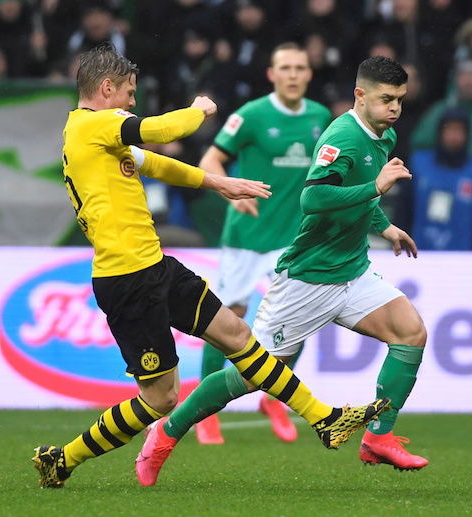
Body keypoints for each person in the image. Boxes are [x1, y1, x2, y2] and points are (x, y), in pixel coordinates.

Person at [32, 43, 389, 489]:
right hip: (126, 280)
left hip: (155, 267)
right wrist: (198, 108)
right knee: (160, 398)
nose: (132, 102)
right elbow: (160, 131)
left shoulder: (95, 135)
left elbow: (155, 163)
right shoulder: (95, 125)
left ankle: (324, 418)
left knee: (237, 336)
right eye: (128, 92)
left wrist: (218, 182)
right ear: (106, 88)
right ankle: (63, 459)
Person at [137, 57, 430, 484]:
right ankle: (166, 432)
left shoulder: (383, 136)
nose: (395, 109)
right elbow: (313, 199)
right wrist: (377, 188)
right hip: (308, 279)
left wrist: (384, 225)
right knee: (245, 377)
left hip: (352, 271)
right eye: (387, 99)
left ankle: (378, 438)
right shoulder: (342, 136)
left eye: (400, 100)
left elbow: (358, 200)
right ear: (359, 95)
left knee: (411, 332)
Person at [194, 42, 332, 445]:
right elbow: (210, 161)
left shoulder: (321, 117)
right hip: (246, 235)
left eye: (299, 68)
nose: (292, 74)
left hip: (293, 237)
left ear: (309, 74)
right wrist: (235, 192)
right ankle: (205, 410)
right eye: (285, 67)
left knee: (300, 316)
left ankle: (275, 397)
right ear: (272, 74)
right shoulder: (250, 115)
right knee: (228, 319)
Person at [408, 108, 472, 250]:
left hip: (461, 258)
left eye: (459, 131)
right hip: (419, 252)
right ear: (440, 133)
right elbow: (404, 209)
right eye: (449, 130)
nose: (453, 136)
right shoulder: (418, 165)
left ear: (467, 135)